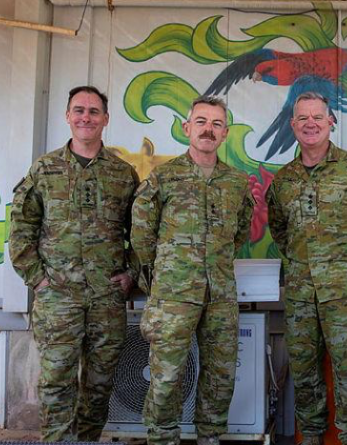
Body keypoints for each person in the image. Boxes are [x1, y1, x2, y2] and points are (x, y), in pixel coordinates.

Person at [9, 86, 139, 441]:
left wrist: (131, 275)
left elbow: (141, 233)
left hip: (105, 297)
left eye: (94, 111)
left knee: (100, 383)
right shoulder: (45, 169)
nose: (86, 117)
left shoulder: (123, 174)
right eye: (79, 110)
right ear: (67, 116)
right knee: (56, 381)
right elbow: (21, 227)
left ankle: (86, 441)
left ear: (106, 120)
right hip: (57, 297)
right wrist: (36, 279)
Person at [266, 92, 347, 445]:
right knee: (304, 369)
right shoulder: (284, 180)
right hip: (301, 291)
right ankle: (312, 437)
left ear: (331, 122)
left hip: (344, 291)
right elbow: (279, 228)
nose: (310, 123)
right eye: (302, 118)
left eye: (318, 117)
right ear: (293, 125)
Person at [131, 96, 254, 445]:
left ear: (225, 133)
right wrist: (162, 276)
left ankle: (210, 438)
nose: (208, 130)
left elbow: (240, 231)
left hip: (220, 295)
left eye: (216, 124)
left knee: (220, 375)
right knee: (167, 376)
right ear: (187, 128)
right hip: (173, 294)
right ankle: (162, 438)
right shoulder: (164, 177)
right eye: (201, 122)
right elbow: (141, 233)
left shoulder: (236, 182)